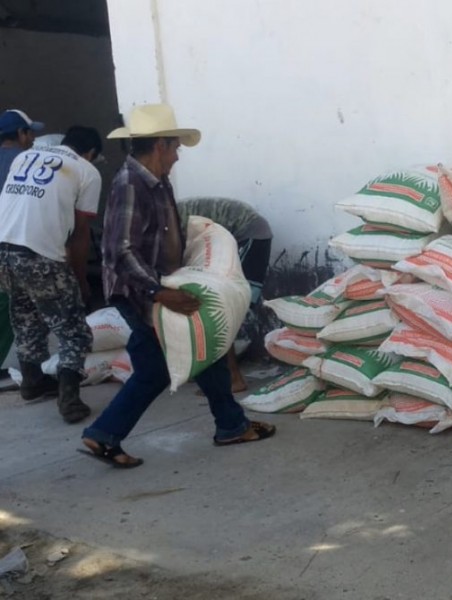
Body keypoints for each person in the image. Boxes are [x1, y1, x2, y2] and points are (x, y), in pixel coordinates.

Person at [81, 103, 276, 469]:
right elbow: (119, 251)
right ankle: (105, 433)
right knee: (158, 369)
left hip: (158, 287)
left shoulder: (156, 182)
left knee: (207, 349)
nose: (177, 157)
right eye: (175, 148)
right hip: (142, 294)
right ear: (160, 146)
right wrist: (159, 292)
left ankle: (230, 425)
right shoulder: (131, 184)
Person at [0, 125, 103, 423]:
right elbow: (81, 233)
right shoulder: (86, 170)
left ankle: (32, 382)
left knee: (26, 318)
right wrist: (81, 279)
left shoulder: (26, 156)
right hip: (39, 256)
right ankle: (69, 401)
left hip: (3, 252)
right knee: (75, 331)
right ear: (91, 153)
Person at [176, 197, 273, 393]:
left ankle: (232, 378)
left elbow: (176, 261)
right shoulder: (161, 218)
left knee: (217, 306)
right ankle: (220, 375)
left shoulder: (161, 223)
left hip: (250, 234)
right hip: (231, 236)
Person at [0, 109, 46, 370]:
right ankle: (32, 371)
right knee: (20, 308)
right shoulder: (27, 161)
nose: (33, 139)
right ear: (20, 133)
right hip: (19, 244)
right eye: (30, 133)